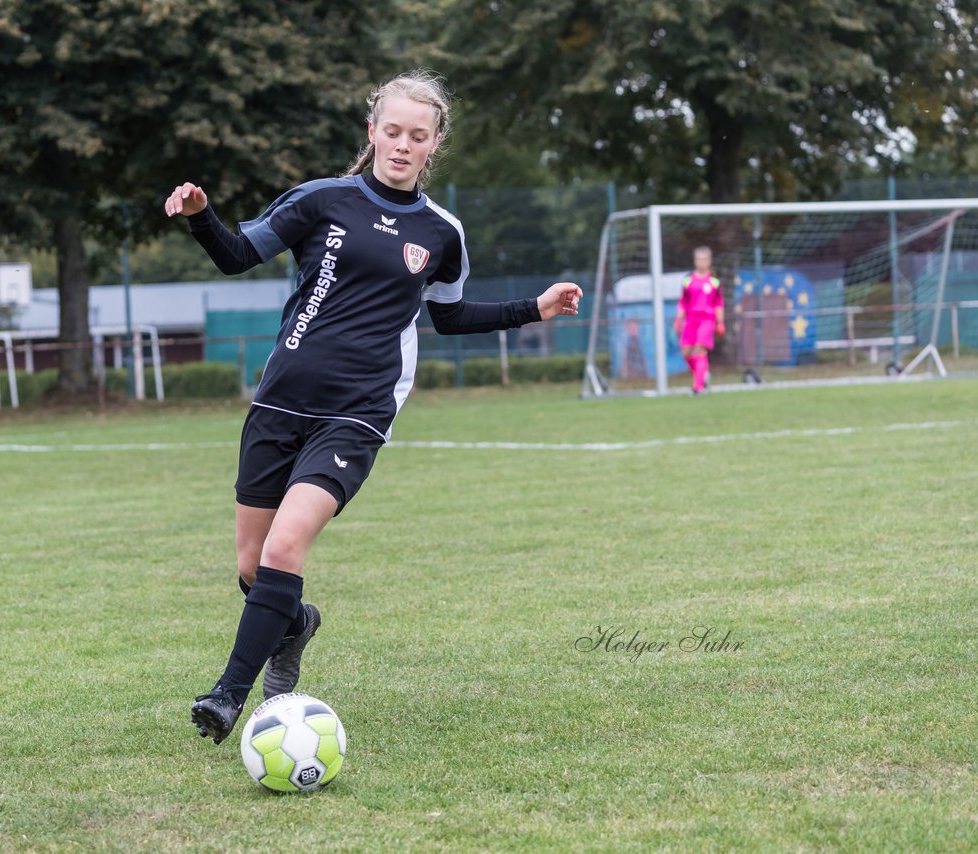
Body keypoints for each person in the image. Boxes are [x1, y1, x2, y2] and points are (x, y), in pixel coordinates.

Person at [165, 69, 583, 746]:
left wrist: (533, 309)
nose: (402, 144)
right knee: (251, 565)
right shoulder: (321, 200)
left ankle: (226, 697)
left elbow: (449, 317)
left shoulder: (441, 232)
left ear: (433, 144)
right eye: (391, 130)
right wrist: (199, 217)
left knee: (287, 543)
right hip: (280, 402)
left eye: (417, 135)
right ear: (372, 132)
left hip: (357, 411)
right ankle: (295, 624)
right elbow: (239, 254)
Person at [673, 246, 725, 394]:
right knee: (686, 352)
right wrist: (678, 319)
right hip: (690, 320)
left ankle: (698, 387)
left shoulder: (714, 282)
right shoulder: (688, 280)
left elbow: (718, 304)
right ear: (695, 261)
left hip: (707, 319)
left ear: (709, 261)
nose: (702, 262)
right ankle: (703, 375)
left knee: (699, 348)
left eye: (704, 259)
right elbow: (683, 302)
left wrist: (720, 322)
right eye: (699, 259)